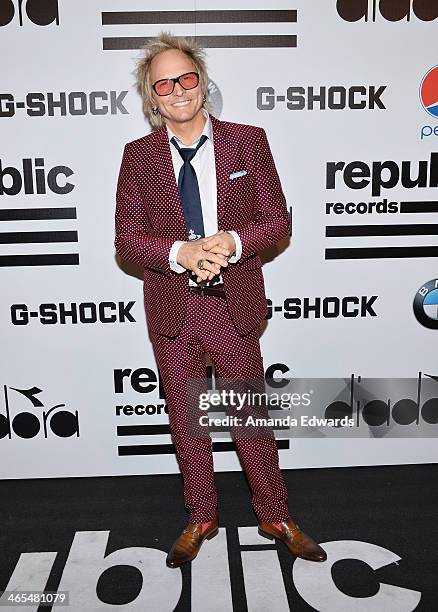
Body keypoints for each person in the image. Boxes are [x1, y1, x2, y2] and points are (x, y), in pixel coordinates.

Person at [114, 32, 326, 568]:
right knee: (187, 419)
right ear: (152, 97)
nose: (178, 89)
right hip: (173, 306)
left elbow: (276, 221)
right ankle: (201, 514)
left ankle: (274, 513)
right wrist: (182, 252)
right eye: (164, 83)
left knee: (249, 417)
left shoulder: (248, 141)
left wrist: (230, 244)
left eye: (186, 77)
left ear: (202, 83)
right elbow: (126, 237)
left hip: (231, 305)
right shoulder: (137, 156)